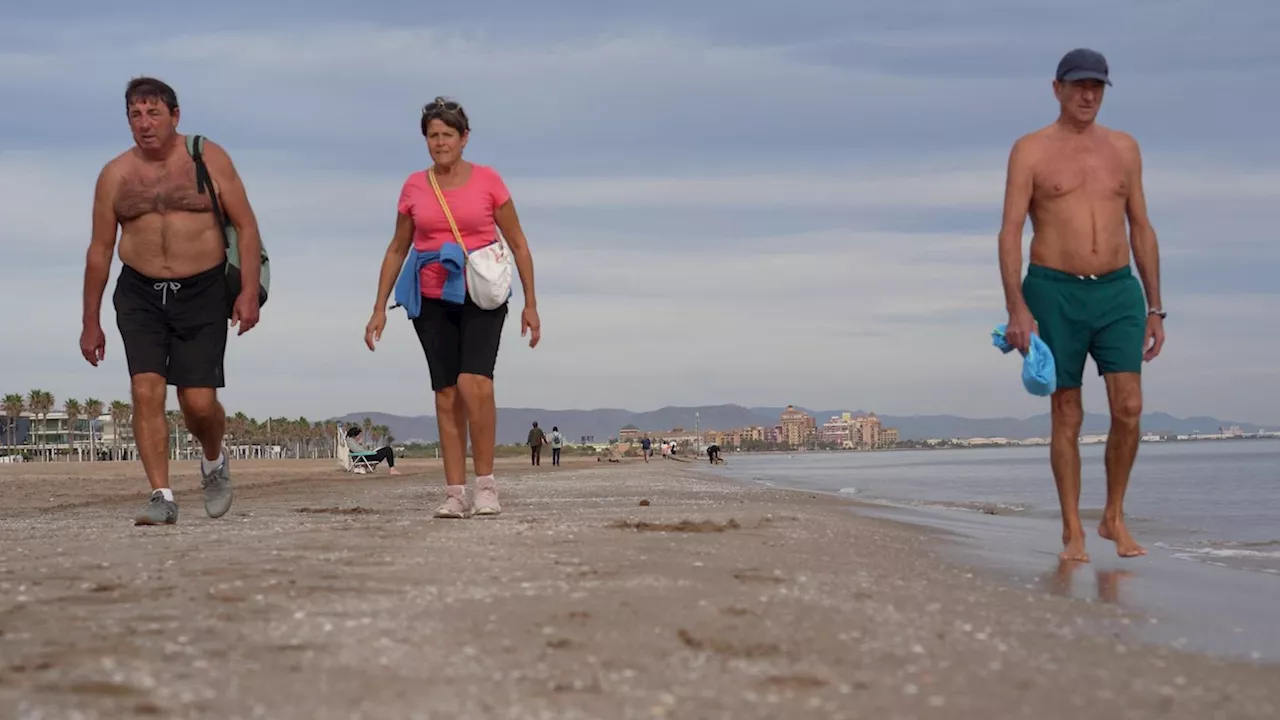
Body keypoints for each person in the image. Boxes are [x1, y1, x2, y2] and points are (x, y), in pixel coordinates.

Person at [997, 49, 1163, 562]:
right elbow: (1009, 232)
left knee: (1130, 408)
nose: (1088, 95)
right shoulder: (1030, 150)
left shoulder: (1124, 148)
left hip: (1118, 290)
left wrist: (1156, 307)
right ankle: (1074, 529)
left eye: (1097, 86)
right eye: (1078, 86)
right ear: (1057, 89)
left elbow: (1141, 226)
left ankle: (1113, 516)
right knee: (1066, 411)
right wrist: (1017, 308)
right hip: (1053, 290)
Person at [80, 77, 263, 526]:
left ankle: (214, 460)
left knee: (198, 403)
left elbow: (247, 226)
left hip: (201, 291)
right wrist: (90, 321)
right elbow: (100, 251)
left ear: (175, 116)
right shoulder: (115, 176)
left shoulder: (208, 157)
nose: (144, 124)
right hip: (139, 292)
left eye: (153, 113)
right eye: (135, 115)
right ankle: (161, 495)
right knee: (146, 391)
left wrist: (248, 292)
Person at [364, 96, 541, 519]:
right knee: (446, 393)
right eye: (432, 135)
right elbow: (396, 248)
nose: (439, 142)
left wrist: (531, 304)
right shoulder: (413, 186)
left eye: (447, 135)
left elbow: (518, 243)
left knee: (474, 382)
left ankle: (486, 486)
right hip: (431, 297)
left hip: (482, 293)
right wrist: (378, 308)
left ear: (464, 138)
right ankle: (454, 492)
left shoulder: (489, 181)